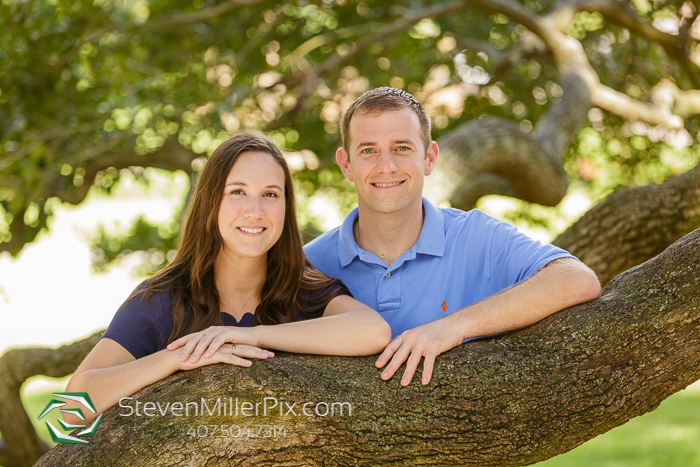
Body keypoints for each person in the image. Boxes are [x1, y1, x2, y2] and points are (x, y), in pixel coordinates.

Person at [65, 133, 391, 423]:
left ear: (286, 206)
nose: (255, 210)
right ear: (211, 202)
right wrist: (178, 357)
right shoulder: (163, 299)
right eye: (237, 192)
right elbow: (70, 408)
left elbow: (373, 331)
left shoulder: (305, 288)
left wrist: (255, 336)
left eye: (270, 194)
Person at [304, 87, 601, 387]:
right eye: (368, 150)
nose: (386, 167)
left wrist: (453, 326)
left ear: (429, 158)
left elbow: (576, 279)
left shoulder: (474, 235)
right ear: (346, 165)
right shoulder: (309, 263)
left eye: (402, 148)